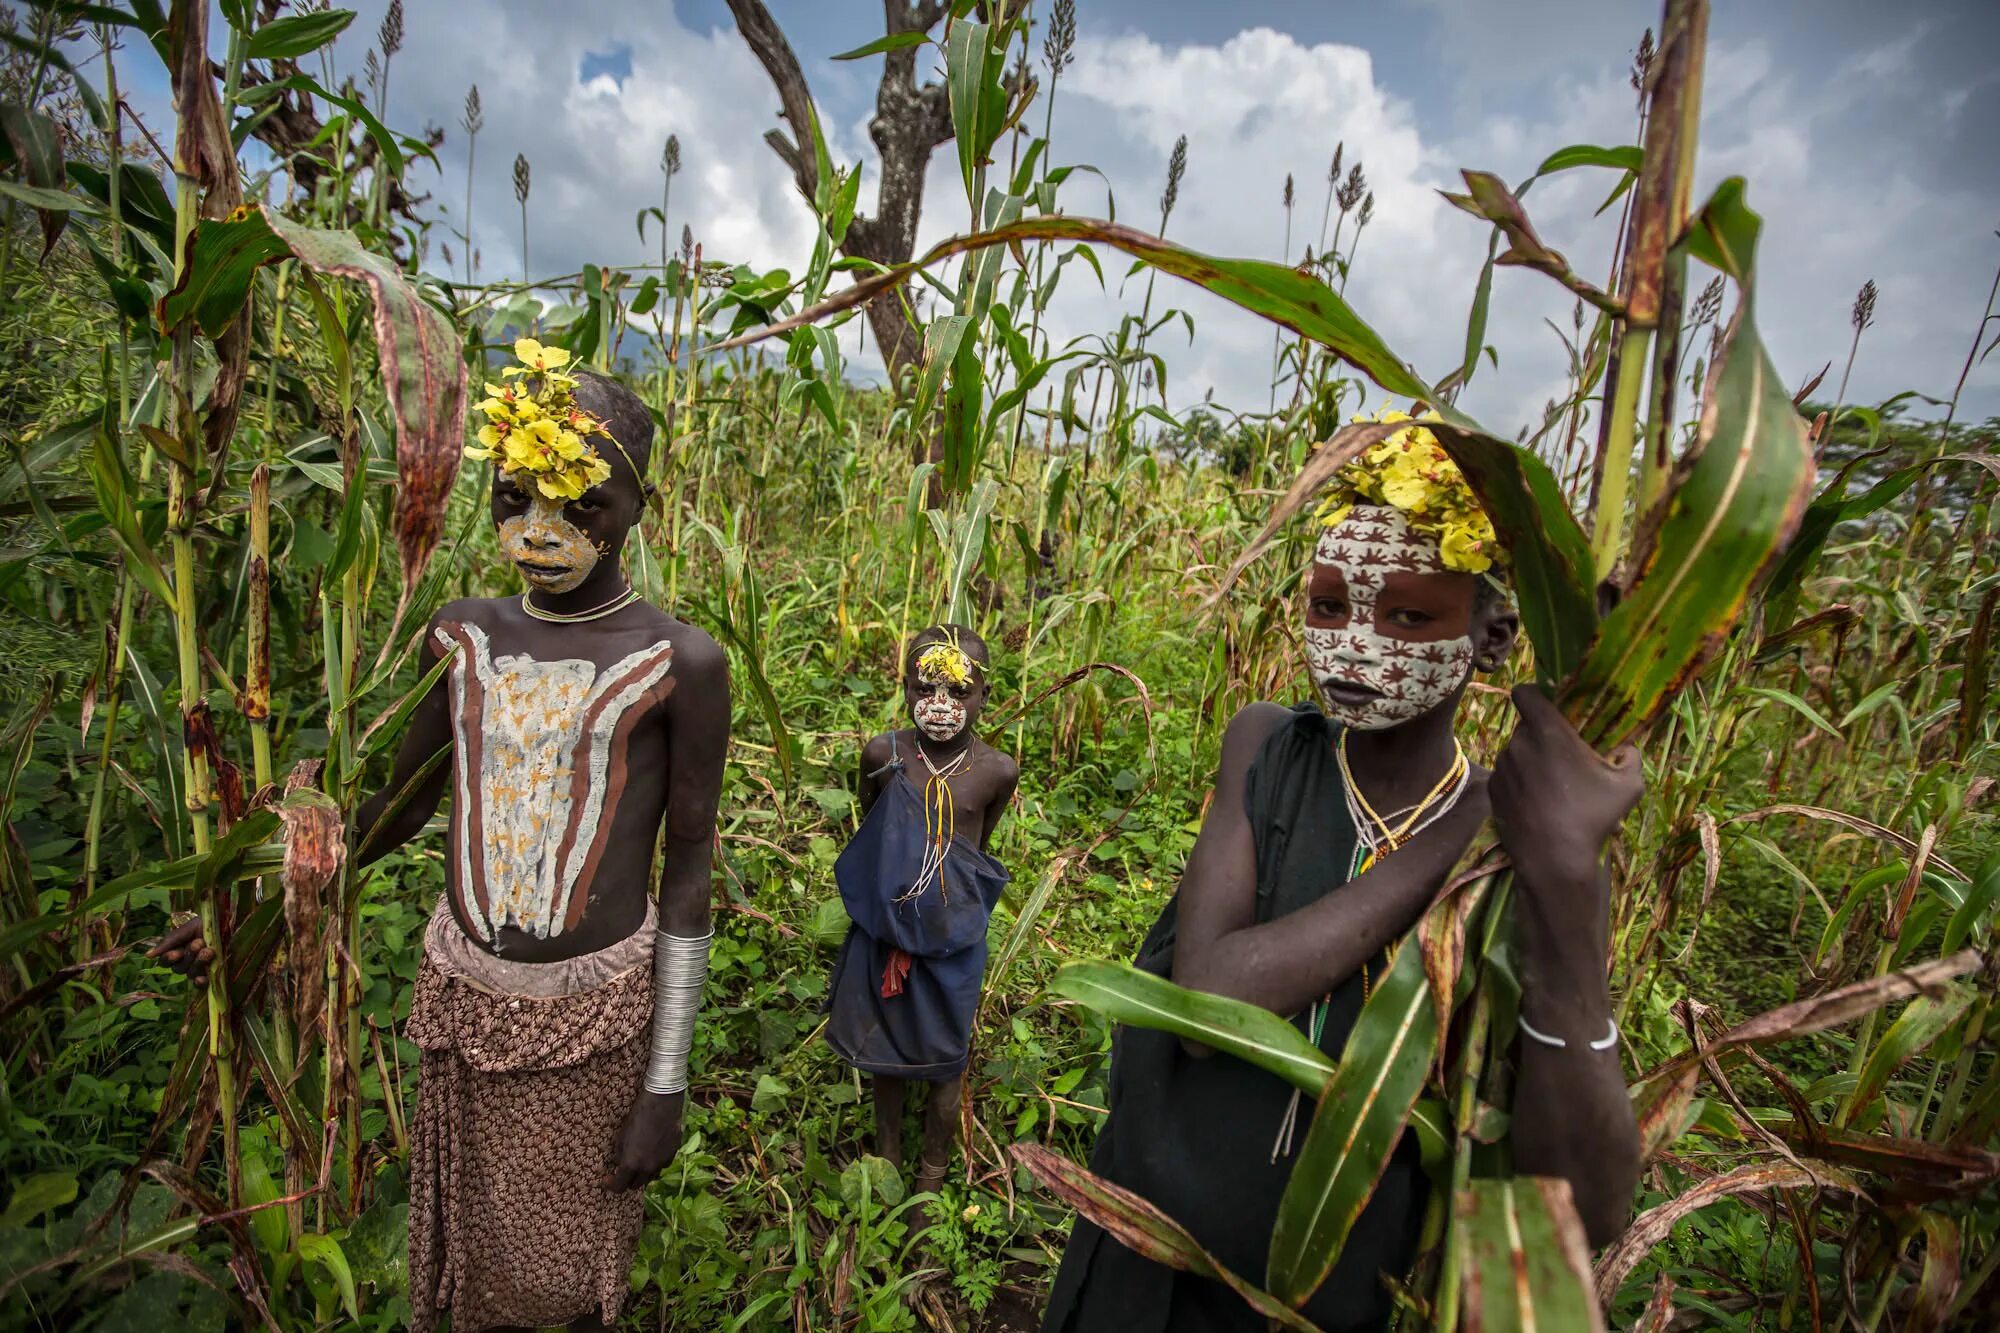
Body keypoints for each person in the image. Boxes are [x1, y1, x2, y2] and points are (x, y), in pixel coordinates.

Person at [154, 343, 730, 1333]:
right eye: (515, 500)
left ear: (639, 508)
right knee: (472, 1264)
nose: (539, 530)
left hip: (592, 1028)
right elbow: (395, 807)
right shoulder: (461, 637)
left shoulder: (677, 659)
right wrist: (246, 905)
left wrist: (664, 1084)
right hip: (464, 1004)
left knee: (564, 1282)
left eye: (577, 505)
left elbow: (685, 878)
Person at [1041, 412, 1643, 1332]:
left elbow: (1585, 1210)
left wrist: (1560, 873)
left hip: (1345, 1297)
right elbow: (1207, 1003)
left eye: (1407, 614)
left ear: (1491, 639)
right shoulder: (1269, 747)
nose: (1354, 645)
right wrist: (1457, 835)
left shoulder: (1531, 845)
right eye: (1330, 606)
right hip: (1160, 1254)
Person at [824, 625, 1019, 1197]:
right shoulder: (883, 755)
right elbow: (873, 831)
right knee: (885, 1047)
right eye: (925, 689)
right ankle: (887, 1159)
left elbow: (976, 852)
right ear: (905, 689)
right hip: (887, 930)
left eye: (959, 693)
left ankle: (931, 1178)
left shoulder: (996, 770)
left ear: (984, 697)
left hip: (952, 937)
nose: (941, 706)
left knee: (945, 1058)